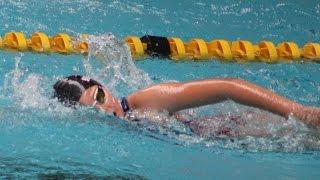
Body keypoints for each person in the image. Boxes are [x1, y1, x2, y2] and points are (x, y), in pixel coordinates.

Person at [53, 75, 320, 132]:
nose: (103, 109)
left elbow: (228, 87)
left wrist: (298, 113)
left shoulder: (146, 99)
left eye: (99, 97)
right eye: (93, 109)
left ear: (105, 88)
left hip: (239, 130)